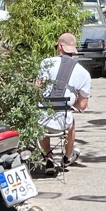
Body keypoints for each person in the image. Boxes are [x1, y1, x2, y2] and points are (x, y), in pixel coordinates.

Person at [36, 32, 92, 172]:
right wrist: (73, 102)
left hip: (41, 120)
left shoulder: (46, 63)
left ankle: (48, 157)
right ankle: (67, 156)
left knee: (41, 112)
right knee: (71, 123)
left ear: (59, 47)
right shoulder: (83, 73)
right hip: (63, 122)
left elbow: (37, 89)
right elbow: (83, 106)